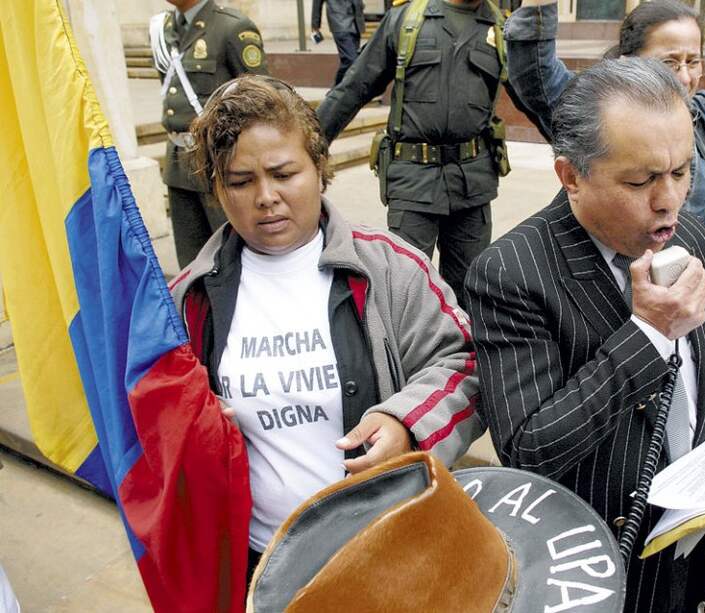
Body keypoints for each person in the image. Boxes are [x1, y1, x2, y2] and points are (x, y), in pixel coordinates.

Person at [464, 58, 705, 612]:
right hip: (590, 554)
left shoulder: (692, 236)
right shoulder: (511, 272)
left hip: (687, 541)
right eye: (641, 180)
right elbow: (528, 448)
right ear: (571, 176)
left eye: (681, 171)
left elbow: (700, 364)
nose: (668, 198)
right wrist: (647, 333)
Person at [170, 75, 483, 578]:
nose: (266, 197)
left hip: (388, 551)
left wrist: (407, 424)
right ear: (216, 190)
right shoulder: (190, 300)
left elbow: (465, 362)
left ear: (319, 168)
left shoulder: (391, 268)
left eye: (283, 173)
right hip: (264, 563)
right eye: (240, 181)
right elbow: (160, 421)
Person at [504, 0, 705, 230]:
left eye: (693, 61)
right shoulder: (593, 114)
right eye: (669, 63)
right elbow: (536, 71)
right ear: (628, 62)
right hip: (606, 295)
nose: (684, 77)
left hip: (689, 286)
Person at [316, 0, 536, 306]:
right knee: (405, 292)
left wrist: (578, 150)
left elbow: (534, 97)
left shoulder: (501, 30)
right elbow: (353, 88)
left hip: (471, 185)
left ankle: (462, 355)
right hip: (413, 181)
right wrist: (307, 147)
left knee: (470, 293)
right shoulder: (407, 19)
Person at [150, 0, 269, 268]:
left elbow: (262, 100)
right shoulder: (163, 29)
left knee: (230, 256)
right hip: (180, 163)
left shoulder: (232, 27)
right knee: (192, 262)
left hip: (221, 163)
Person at [311, 0, 366, 85]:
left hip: (356, 23)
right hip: (338, 22)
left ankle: (342, 91)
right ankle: (336, 90)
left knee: (351, 61)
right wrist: (315, 25)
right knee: (351, 59)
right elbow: (317, 3)